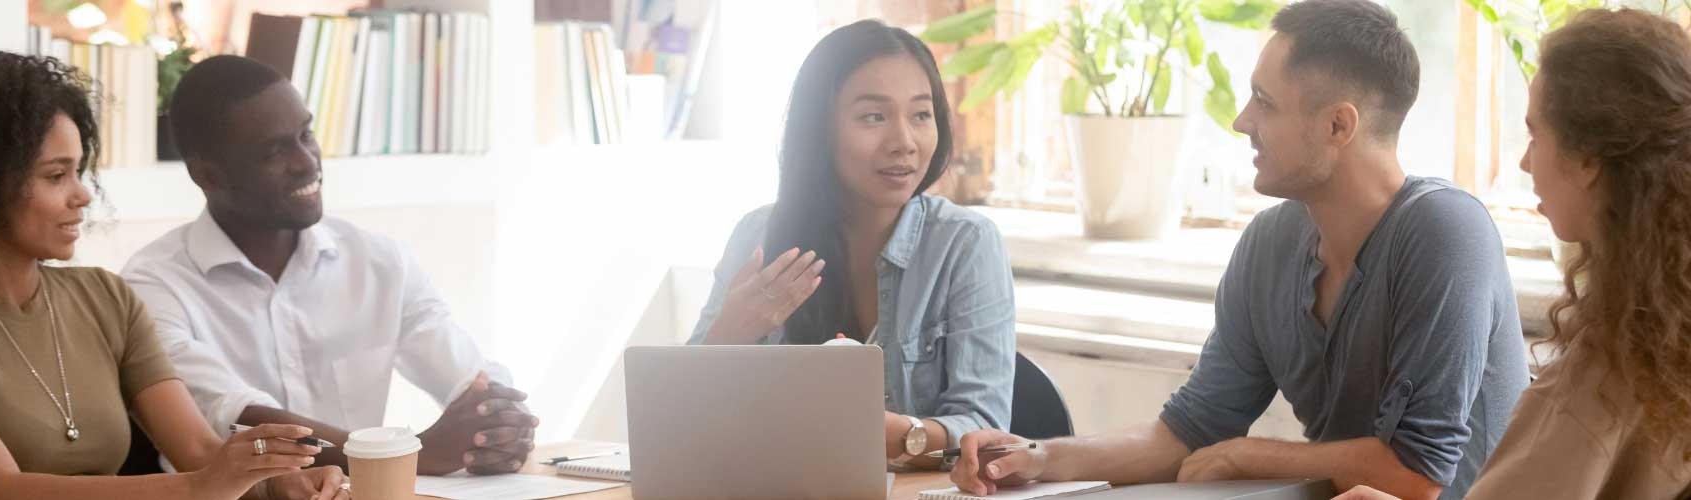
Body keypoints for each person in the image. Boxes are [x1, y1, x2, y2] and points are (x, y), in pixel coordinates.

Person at [948, 1, 1530, 499]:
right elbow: (1187, 431)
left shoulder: (1447, 231)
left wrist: (1250, 455)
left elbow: (1418, 475)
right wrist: (1038, 458)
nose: (1240, 120)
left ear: (1338, 125)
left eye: (1264, 101)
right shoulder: (1270, 245)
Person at [0, 53, 346, 500]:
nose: (83, 195)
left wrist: (274, 483)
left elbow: (197, 450)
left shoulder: (105, 297)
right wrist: (198, 486)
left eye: (79, 171)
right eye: (56, 176)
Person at [1335, 8, 1691, 500]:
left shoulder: (1606, 377)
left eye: (1535, 132)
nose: (1525, 161)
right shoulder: (1669, 341)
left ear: (1588, 158)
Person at [121, 55, 536, 476]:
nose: (306, 161)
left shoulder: (378, 263)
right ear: (207, 176)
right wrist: (407, 454)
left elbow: (468, 376)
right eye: (274, 151)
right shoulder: (152, 285)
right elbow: (238, 416)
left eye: (306, 134)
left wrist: (496, 423)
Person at [687, 19, 1016, 470]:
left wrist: (893, 435)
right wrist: (731, 333)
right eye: (873, 117)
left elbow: (985, 426)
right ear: (819, 129)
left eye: (921, 115)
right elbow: (680, 420)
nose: (904, 142)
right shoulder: (758, 237)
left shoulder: (965, 243)